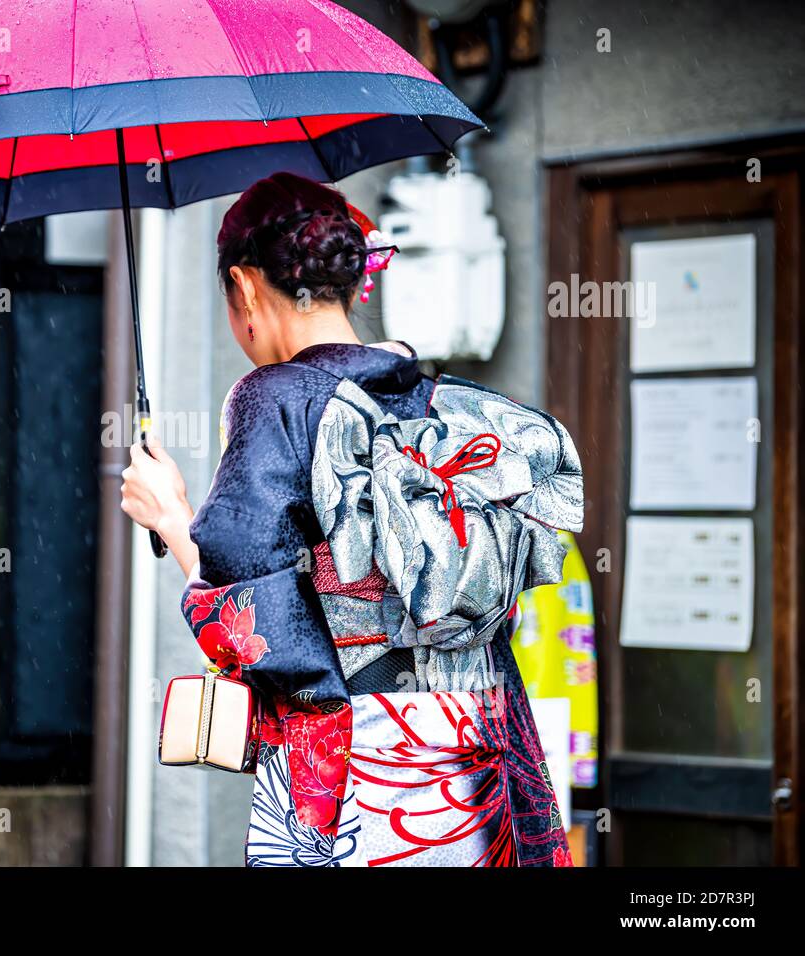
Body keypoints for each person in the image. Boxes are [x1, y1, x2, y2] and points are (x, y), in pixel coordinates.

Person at [120, 172, 582, 867]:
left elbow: (258, 620)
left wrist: (171, 515)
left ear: (244, 287)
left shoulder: (275, 400)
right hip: (478, 758)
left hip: (362, 765)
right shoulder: (433, 398)